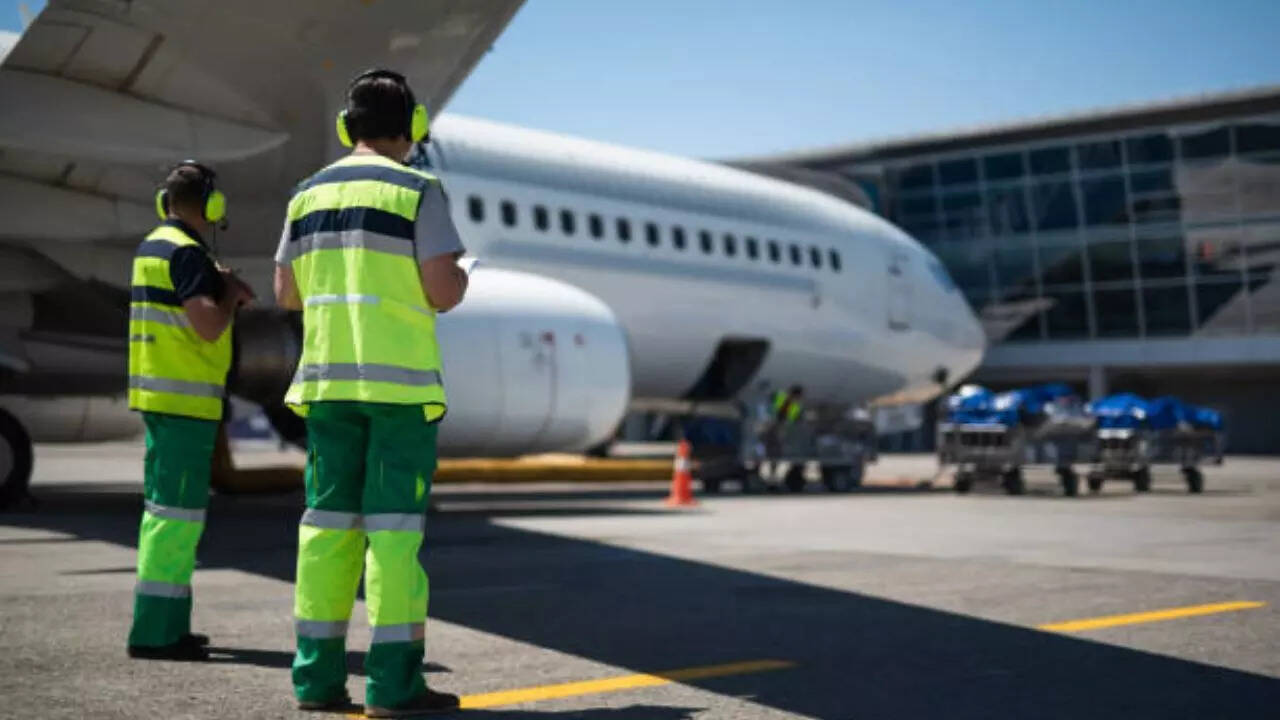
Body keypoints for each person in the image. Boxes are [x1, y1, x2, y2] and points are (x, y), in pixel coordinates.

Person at [274, 69, 468, 716]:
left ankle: (316, 681)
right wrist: (459, 279)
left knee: (325, 533)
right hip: (399, 392)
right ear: (412, 127)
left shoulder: (306, 194)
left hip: (327, 387)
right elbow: (442, 291)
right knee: (393, 538)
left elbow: (286, 293)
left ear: (345, 127)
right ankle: (393, 685)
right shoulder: (417, 190)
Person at [126, 161, 254, 660]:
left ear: (166, 202)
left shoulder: (154, 246)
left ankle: (170, 624)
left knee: (171, 517)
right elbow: (207, 325)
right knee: (175, 520)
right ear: (212, 206)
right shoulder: (187, 253)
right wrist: (231, 295)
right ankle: (155, 634)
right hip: (185, 403)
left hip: (162, 398)